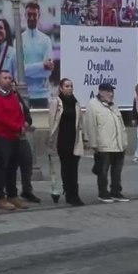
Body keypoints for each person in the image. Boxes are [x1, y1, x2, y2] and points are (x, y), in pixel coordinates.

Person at [0, 70, 27, 210]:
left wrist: (21, 126)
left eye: (10, 78)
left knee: (12, 167)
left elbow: (19, 113)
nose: (8, 80)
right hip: (1, 136)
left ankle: (12, 195)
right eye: (5, 78)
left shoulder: (13, 96)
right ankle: (0, 197)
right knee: (2, 167)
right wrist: (17, 127)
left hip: (14, 136)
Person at [83, 82, 129, 203]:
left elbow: (121, 124)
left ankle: (116, 192)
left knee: (117, 171)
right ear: (101, 92)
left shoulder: (114, 105)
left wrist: (124, 141)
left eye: (112, 91)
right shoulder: (93, 105)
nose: (111, 93)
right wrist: (94, 144)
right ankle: (103, 193)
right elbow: (91, 125)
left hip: (118, 144)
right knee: (103, 171)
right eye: (108, 91)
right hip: (104, 145)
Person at [47, 77, 85, 206]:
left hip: (74, 139)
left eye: (71, 86)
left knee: (74, 168)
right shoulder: (56, 102)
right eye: (67, 86)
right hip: (62, 140)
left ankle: (74, 193)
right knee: (66, 167)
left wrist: (83, 138)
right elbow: (52, 122)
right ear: (61, 88)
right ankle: (69, 193)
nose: (69, 88)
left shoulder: (75, 102)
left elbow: (80, 121)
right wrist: (51, 140)